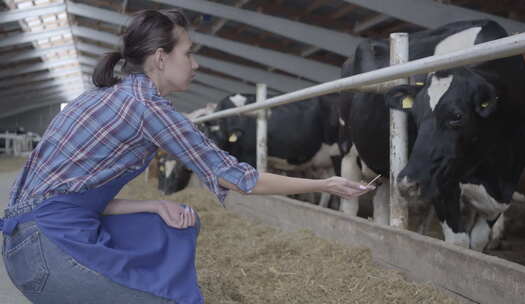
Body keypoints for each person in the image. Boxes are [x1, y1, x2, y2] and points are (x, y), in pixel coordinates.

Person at [0, 9, 375, 304]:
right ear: (161, 59)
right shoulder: (149, 108)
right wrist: (325, 183)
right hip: (48, 250)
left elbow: (66, 198)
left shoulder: (100, 95)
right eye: (189, 53)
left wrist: (151, 206)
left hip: (23, 246)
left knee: (170, 222)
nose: (195, 64)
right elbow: (237, 177)